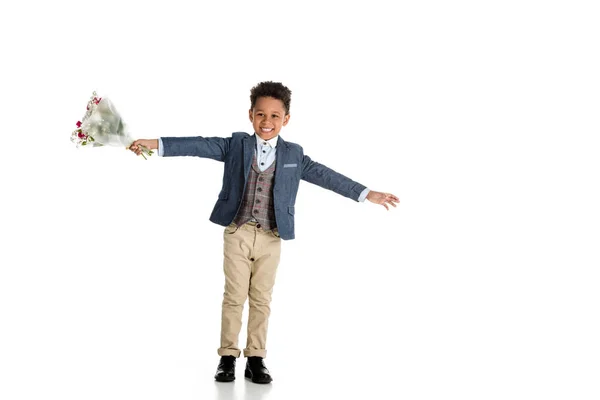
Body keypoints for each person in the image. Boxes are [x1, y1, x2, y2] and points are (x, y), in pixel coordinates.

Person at [129, 81, 399, 384]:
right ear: (250, 115)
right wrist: (153, 143)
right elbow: (198, 144)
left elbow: (326, 176)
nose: (266, 122)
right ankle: (227, 357)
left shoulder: (294, 154)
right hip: (238, 230)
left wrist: (366, 193)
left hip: (272, 236)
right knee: (234, 296)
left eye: (274, 116)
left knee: (261, 298)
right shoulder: (236, 145)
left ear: (286, 119)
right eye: (260, 115)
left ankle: (256, 358)